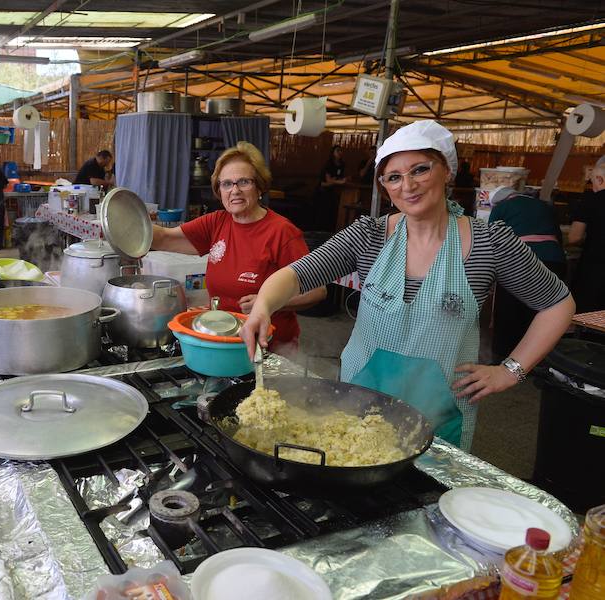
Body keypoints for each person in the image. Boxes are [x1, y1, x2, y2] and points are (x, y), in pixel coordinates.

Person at [241, 121, 574, 451]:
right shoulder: (368, 235)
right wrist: (263, 307)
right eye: (394, 177)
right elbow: (297, 275)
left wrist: (509, 371)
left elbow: (558, 304)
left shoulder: (489, 242)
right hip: (358, 405)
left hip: (439, 417)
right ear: (384, 186)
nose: (408, 185)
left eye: (420, 169)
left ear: (447, 171)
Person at [150, 141, 326, 356]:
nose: (235, 190)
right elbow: (164, 238)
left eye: (244, 182)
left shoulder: (282, 232)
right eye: (226, 184)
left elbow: (317, 291)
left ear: (259, 186)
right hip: (225, 341)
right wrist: (124, 224)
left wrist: (267, 304)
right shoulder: (216, 223)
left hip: (270, 346)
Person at [487, 187, 566, 361]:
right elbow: (559, 237)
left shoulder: (502, 208)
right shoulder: (545, 206)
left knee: (509, 309)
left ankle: (503, 356)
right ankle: (539, 358)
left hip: (516, 260)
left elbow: (490, 239)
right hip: (553, 259)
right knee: (543, 310)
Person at [568, 155, 605, 313]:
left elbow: (573, 237)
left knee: (588, 315)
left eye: (592, 181)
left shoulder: (591, 200)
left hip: (595, 266)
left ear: (600, 179)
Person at [316, 144, 347, 231]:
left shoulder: (342, 164)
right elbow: (328, 180)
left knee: (332, 212)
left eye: (341, 151)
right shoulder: (329, 164)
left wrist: (340, 180)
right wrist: (338, 181)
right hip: (324, 191)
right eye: (337, 151)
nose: (340, 153)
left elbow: (338, 177)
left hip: (334, 191)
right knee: (323, 212)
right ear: (333, 153)